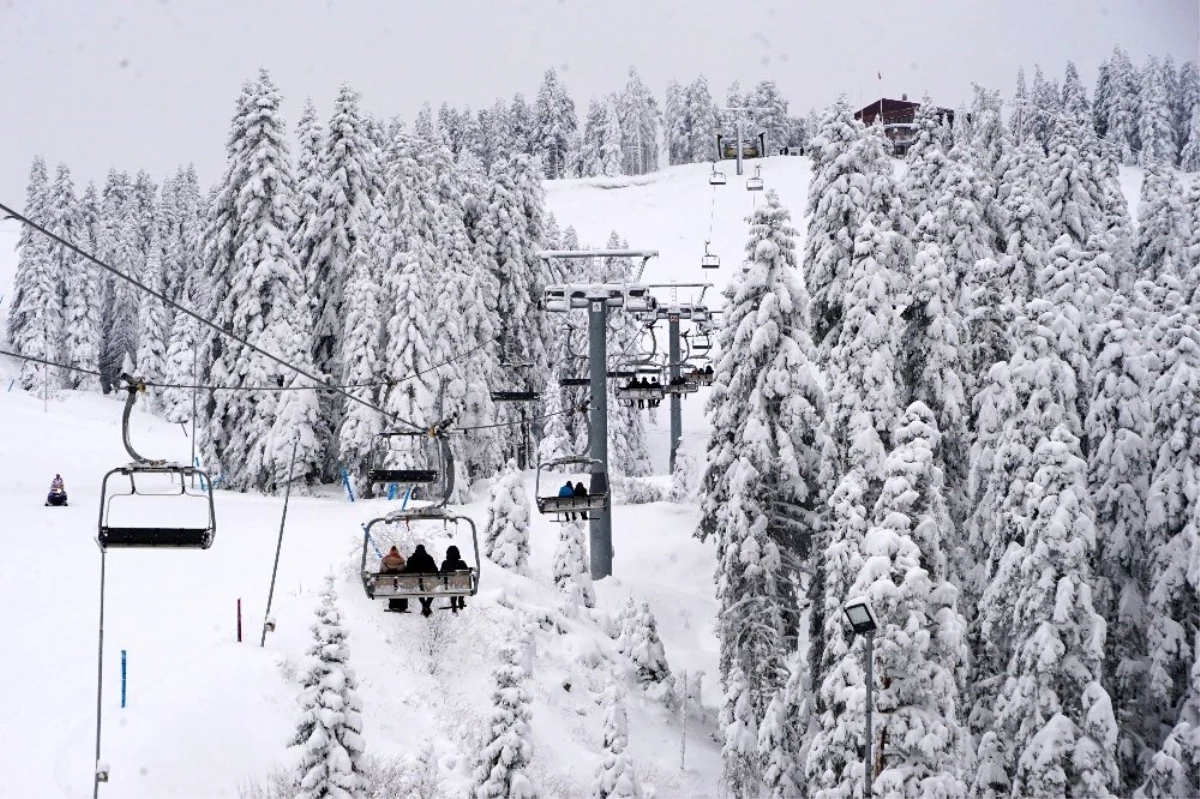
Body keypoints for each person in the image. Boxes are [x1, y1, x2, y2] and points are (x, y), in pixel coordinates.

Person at [403, 544, 439, 617]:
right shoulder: (429, 558)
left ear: (416, 549)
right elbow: (435, 570)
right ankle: (427, 604)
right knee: (432, 589)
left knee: (419, 589)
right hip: (427, 581)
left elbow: (407, 571)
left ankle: (425, 605)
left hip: (415, 582)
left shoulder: (411, 558)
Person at [441, 545, 471, 612]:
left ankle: (453, 603)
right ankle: (461, 598)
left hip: (449, 586)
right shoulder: (462, 563)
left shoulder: (445, 563)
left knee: (452, 586)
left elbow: (441, 575)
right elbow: (467, 574)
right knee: (460, 583)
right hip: (461, 585)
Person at [379, 546, 408, 612]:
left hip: (389, 581)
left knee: (391, 586)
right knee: (401, 587)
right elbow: (404, 570)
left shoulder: (384, 560)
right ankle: (402, 607)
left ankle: (392, 606)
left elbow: (381, 571)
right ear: (397, 552)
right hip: (399, 581)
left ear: (390, 552)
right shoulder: (401, 560)